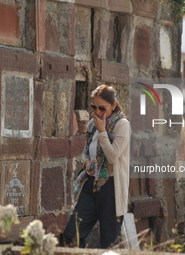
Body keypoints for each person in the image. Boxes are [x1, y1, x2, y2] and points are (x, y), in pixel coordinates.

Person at [63, 85, 130, 249]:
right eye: (94, 107)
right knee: (71, 235)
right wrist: (86, 162)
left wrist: (102, 132)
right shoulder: (93, 123)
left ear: (113, 105)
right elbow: (87, 151)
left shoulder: (122, 125)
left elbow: (113, 157)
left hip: (111, 188)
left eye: (102, 108)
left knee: (109, 244)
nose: (98, 111)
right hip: (91, 184)